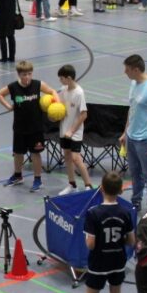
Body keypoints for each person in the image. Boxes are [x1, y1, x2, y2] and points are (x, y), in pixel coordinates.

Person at [58, 171, 134, 293]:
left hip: (99, 262)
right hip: (118, 261)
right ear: (120, 190)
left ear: (101, 189)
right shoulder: (125, 212)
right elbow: (131, 240)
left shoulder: (94, 213)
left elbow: (90, 244)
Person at [0, 60, 58, 192]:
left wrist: (56, 104)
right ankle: (18, 176)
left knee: (35, 153)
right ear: (19, 74)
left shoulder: (38, 84)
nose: (27, 77)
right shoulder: (13, 87)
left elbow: (53, 91)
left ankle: (38, 180)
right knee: (18, 153)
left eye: (29, 74)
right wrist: (8, 106)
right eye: (24, 74)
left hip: (36, 127)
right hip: (19, 127)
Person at [119, 54, 147, 213]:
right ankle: (136, 201)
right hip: (132, 137)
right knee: (135, 173)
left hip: (145, 139)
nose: (125, 72)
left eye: (127, 69)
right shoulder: (134, 83)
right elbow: (132, 110)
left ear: (136, 69)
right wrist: (126, 132)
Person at [55, 64, 91, 195]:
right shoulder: (64, 90)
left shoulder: (79, 93)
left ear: (69, 78)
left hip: (75, 132)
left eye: (62, 78)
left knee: (76, 158)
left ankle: (88, 185)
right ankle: (72, 184)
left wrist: (72, 130)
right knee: (67, 157)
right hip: (64, 129)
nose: (60, 81)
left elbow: (84, 114)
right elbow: (60, 107)